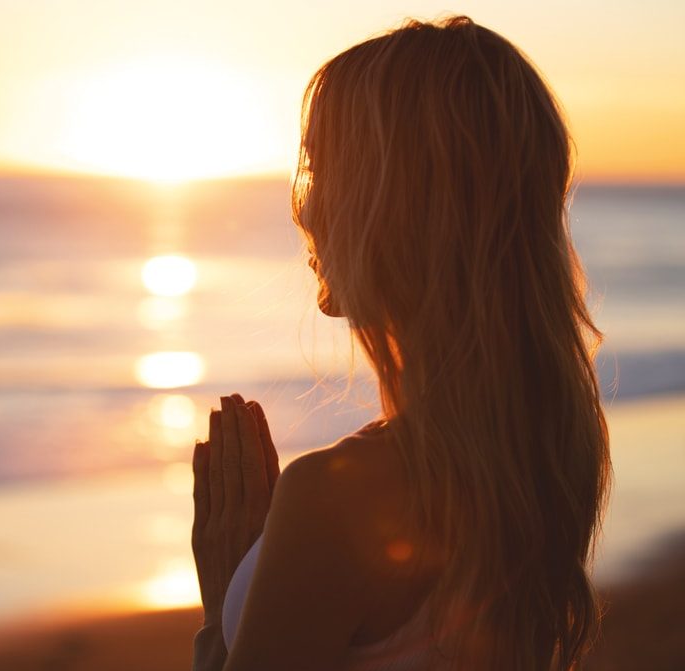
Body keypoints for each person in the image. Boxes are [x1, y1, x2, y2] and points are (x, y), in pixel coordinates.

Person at [190, 14, 611, 671]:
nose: (306, 209)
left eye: (325, 172)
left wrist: (221, 615)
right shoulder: (545, 454)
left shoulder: (335, 499)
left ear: (389, 212)